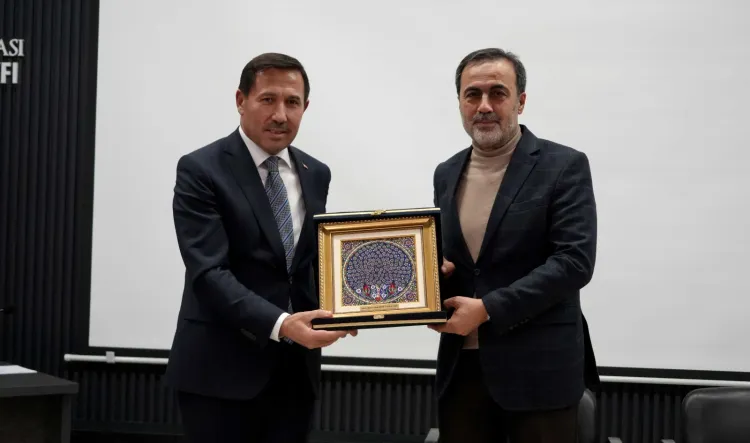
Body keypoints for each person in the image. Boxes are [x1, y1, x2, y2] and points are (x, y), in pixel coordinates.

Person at [163, 52, 355, 443]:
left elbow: (308, 264)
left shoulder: (315, 172)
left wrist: (357, 299)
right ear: (241, 100)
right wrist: (282, 325)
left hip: (295, 374)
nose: (280, 115)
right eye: (268, 99)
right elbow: (209, 273)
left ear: (305, 107)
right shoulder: (201, 169)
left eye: (292, 102)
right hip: (220, 372)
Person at [429, 48, 599, 442]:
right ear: (460, 102)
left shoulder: (564, 165)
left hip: (540, 372)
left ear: (520, 101)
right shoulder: (446, 172)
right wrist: (431, 281)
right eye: (472, 94)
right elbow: (458, 261)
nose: (484, 106)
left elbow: (574, 262)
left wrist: (488, 309)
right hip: (461, 370)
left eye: (497, 93)